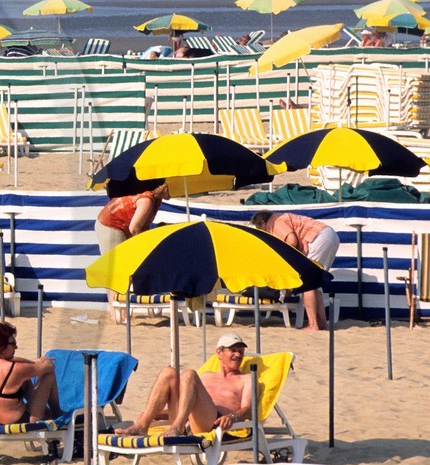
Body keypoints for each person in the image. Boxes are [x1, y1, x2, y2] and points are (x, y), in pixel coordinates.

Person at [117, 334, 252, 437]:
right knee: (168, 372)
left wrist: (232, 417)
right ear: (219, 353)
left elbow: (248, 409)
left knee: (189, 374)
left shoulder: (246, 379)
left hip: (214, 423)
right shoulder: (206, 376)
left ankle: (177, 426)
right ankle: (142, 425)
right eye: (233, 350)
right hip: (188, 420)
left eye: (241, 351)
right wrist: (158, 414)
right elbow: (188, 403)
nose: (238, 355)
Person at [250, 210, 338, 331]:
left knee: (308, 283)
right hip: (329, 235)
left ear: (262, 223)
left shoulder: (275, 222)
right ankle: (322, 323)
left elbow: (292, 241)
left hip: (319, 238)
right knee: (315, 282)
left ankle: (313, 325)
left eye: (260, 229)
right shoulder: (283, 218)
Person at [96, 183, 169, 322]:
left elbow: (143, 225)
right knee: (116, 271)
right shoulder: (146, 200)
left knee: (125, 269)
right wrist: (141, 247)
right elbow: (134, 228)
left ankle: (122, 311)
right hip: (110, 224)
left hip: (121, 224)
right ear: (163, 188)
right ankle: (117, 314)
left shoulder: (156, 200)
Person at [0, 321, 54, 426]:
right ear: (1, 346)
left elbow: (12, 360)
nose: (16, 347)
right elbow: (49, 366)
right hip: (18, 422)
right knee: (49, 375)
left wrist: (34, 362)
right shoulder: (16, 369)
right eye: (13, 344)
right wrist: (43, 360)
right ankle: (57, 414)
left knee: (24, 380)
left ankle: (48, 412)